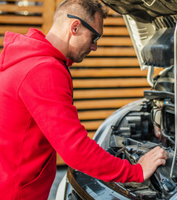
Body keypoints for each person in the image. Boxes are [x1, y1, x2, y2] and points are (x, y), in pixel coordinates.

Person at [0, 0, 168, 199]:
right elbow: (75, 149)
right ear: (75, 27)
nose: (95, 46)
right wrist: (136, 171)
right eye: (94, 36)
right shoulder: (43, 71)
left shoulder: (28, 59)